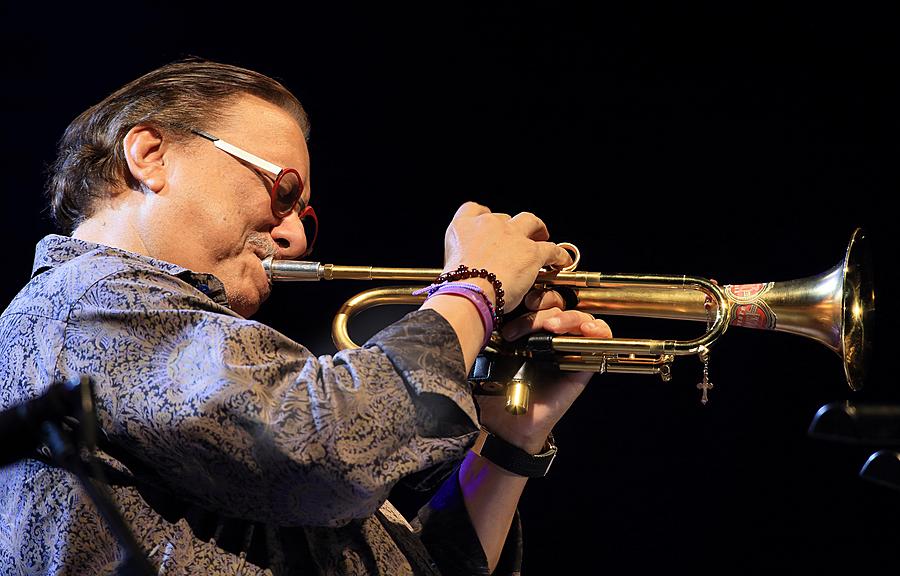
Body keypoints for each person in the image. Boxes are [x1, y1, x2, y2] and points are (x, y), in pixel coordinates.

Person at [0, 58, 611, 575]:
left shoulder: (210, 347)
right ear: (150, 155)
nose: (294, 234)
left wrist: (508, 441)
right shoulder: (87, 303)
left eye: (303, 213)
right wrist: (475, 288)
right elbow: (325, 448)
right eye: (284, 190)